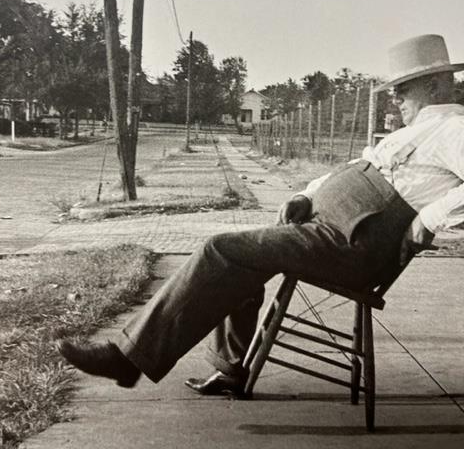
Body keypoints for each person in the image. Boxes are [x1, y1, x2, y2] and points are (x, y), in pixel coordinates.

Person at [58, 33, 464, 396]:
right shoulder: (413, 131)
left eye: (403, 90)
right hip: (327, 227)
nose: (395, 99)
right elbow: (356, 172)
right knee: (244, 253)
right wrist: (307, 194)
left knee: (222, 250)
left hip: (351, 244)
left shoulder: (452, 129)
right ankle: (227, 368)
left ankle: (127, 359)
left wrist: (426, 220)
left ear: (434, 84)